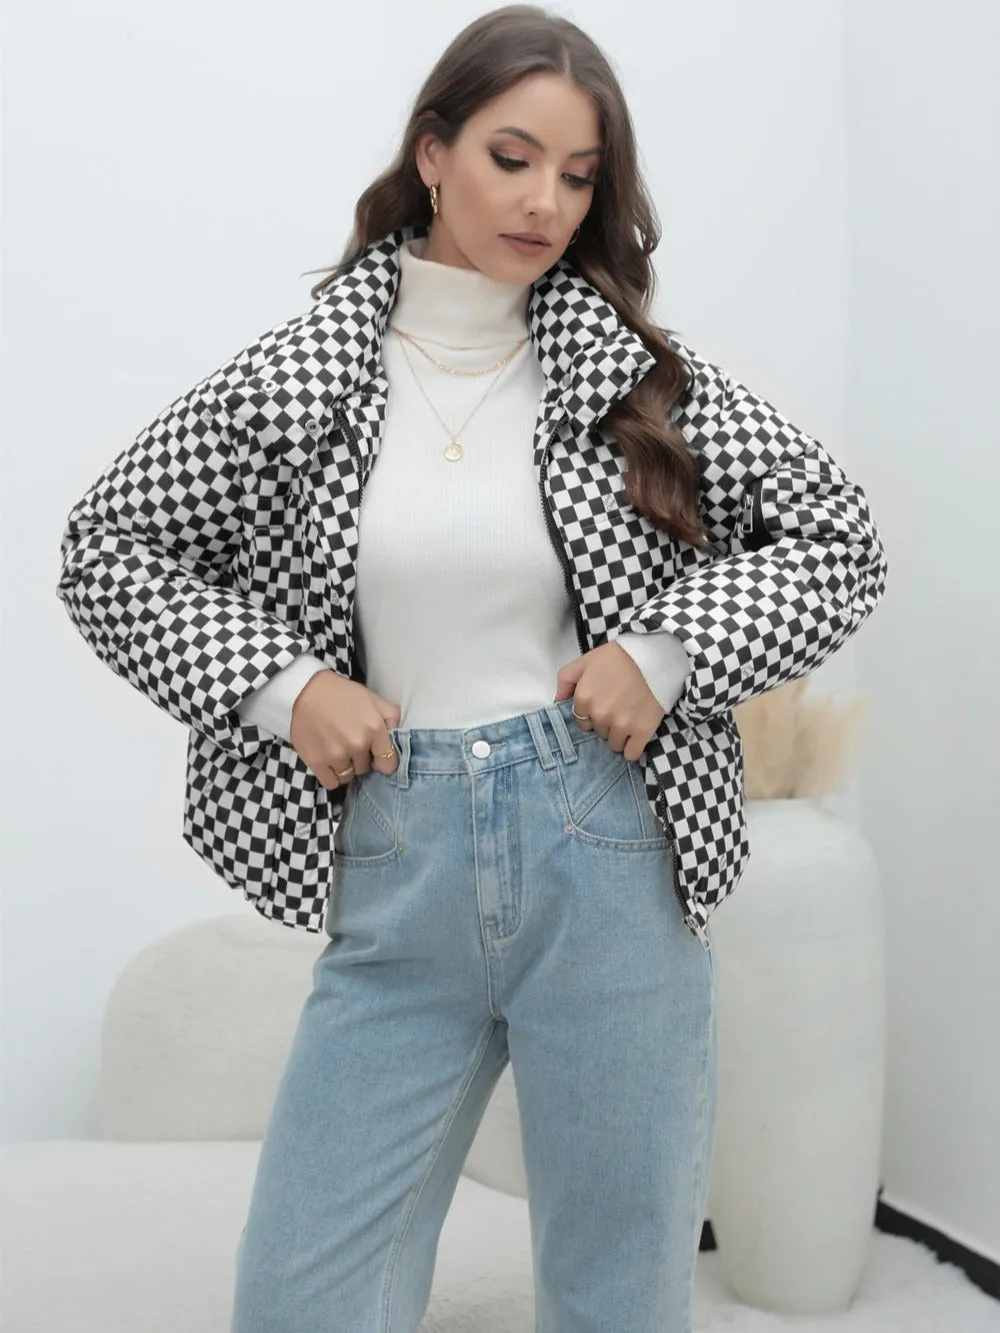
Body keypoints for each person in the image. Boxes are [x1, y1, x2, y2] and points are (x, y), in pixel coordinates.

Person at [55, 6, 888, 1330]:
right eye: (513, 157)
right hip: (400, 855)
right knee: (304, 1298)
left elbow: (841, 540)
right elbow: (106, 550)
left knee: (619, 1294)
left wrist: (665, 653)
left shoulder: (636, 386)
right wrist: (289, 689)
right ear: (433, 154)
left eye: (579, 176)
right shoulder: (301, 380)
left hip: (608, 846)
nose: (546, 201)